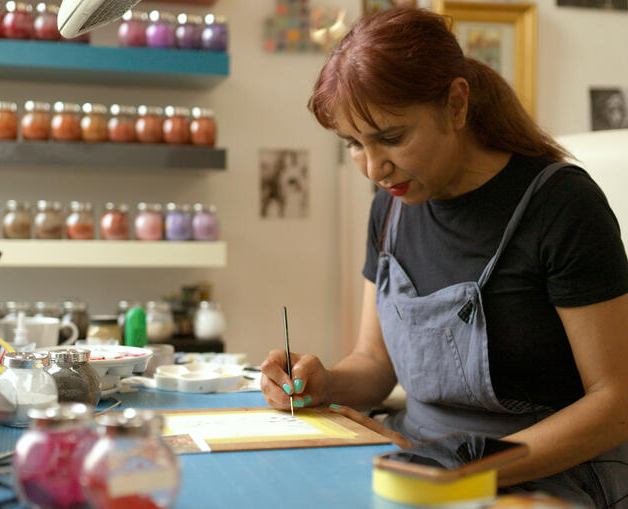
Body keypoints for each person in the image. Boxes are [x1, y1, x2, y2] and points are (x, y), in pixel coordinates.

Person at [260, 8, 628, 507]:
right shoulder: (388, 210)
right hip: (417, 458)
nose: (374, 167)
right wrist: (324, 383)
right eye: (352, 144)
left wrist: (465, 469)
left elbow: (616, 404)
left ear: (456, 104)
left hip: (541, 473)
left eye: (391, 137)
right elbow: (374, 364)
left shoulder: (561, 206)